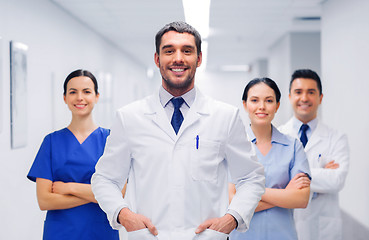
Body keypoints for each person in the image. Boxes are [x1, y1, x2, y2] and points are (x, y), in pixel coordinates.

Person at [91, 21, 265, 240]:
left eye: (187, 51)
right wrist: (124, 215)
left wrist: (232, 219)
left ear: (199, 58)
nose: (178, 58)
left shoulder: (225, 117)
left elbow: (251, 177)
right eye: (169, 51)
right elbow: (105, 179)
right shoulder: (130, 117)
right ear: (157, 59)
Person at [27, 69, 119, 240]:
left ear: (97, 96)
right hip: (60, 232)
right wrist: (98, 196)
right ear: (64, 98)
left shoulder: (111, 140)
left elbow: (119, 194)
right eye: (73, 92)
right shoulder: (51, 142)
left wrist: (69, 188)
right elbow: (45, 200)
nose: (79, 98)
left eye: (86, 92)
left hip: (100, 231)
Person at [229, 78, 311, 240]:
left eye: (269, 101)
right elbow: (232, 201)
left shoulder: (293, 146)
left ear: (277, 106)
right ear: (245, 105)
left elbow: (301, 199)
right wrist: (286, 194)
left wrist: (248, 192)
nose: (262, 106)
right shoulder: (233, 146)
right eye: (254, 100)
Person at [279, 69, 350, 240]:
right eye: (298, 92)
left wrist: (292, 173)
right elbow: (272, 179)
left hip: (322, 229)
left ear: (320, 98)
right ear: (289, 97)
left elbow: (337, 180)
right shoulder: (278, 136)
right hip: (285, 224)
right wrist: (321, 173)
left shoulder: (337, 138)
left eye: (311, 92)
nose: (304, 98)